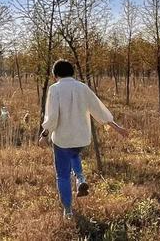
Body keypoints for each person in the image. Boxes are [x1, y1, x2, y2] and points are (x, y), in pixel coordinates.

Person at [38, 59, 128, 219]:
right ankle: (80, 179)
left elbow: (52, 117)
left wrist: (44, 134)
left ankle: (68, 211)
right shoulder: (82, 87)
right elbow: (99, 109)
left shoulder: (55, 89)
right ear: (73, 72)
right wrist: (117, 128)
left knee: (63, 175)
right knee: (74, 154)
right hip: (81, 139)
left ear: (54, 75)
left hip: (63, 139)